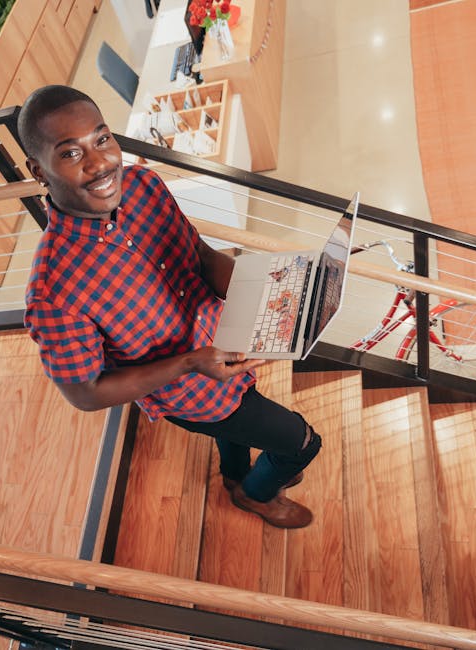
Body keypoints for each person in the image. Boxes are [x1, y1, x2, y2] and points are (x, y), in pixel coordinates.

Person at [18, 85, 321, 529]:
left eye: (102, 139)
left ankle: (235, 477)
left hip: (225, 341)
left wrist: (264, 289)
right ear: (38, 170)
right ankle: (254, 495)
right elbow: (86, 393)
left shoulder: (143, 185)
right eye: (70, 153)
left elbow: (199, 255)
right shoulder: (53, 292)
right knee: (301, 443)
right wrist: (190, 363)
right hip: (191, 394)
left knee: (234, 433)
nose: (99, 163)